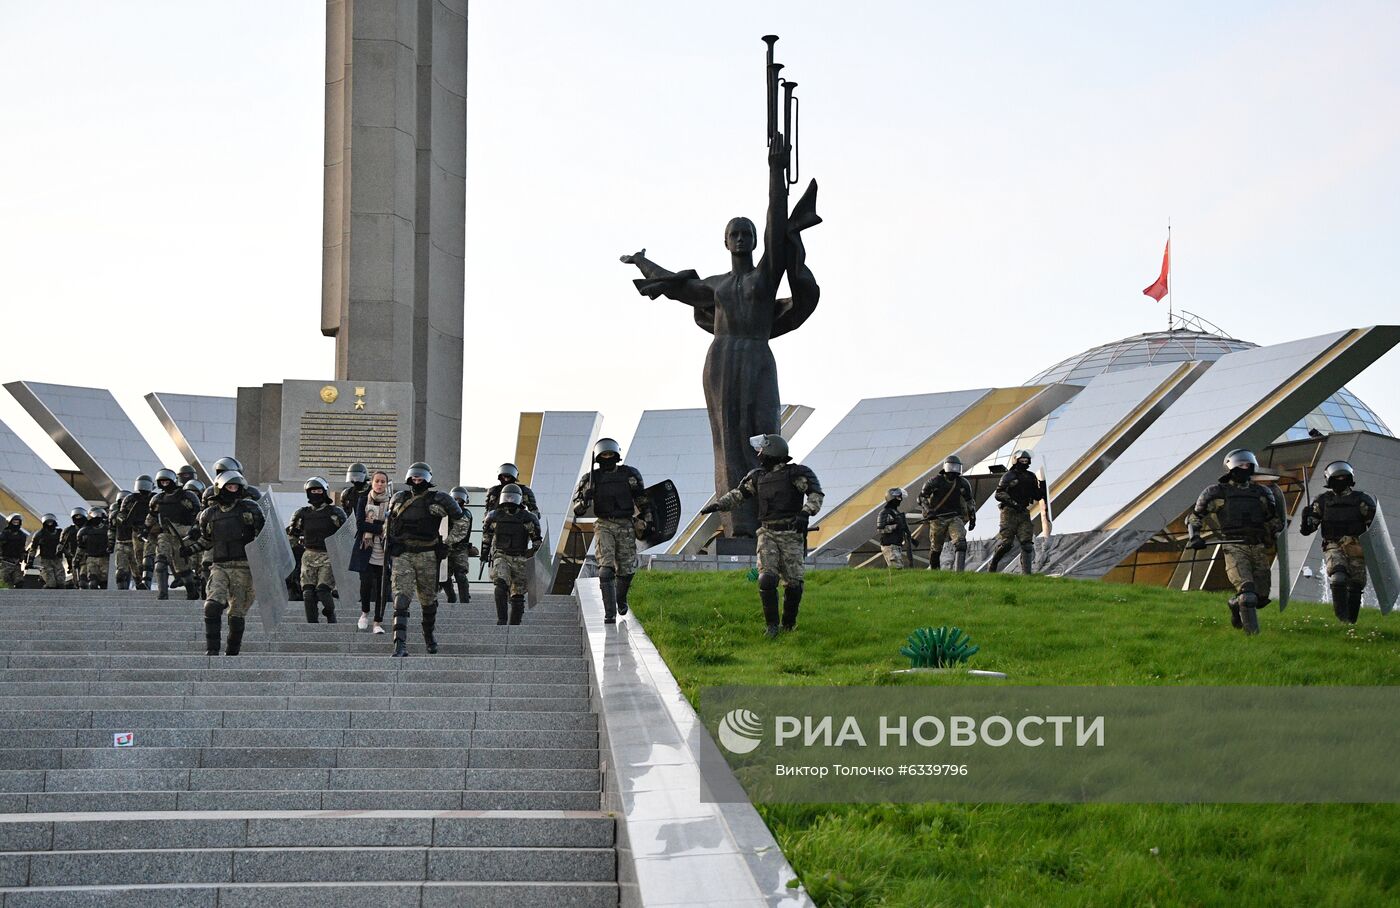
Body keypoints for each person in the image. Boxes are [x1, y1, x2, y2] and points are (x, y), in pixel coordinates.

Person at [700, 434, 824, 637]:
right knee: (766, 578)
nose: (759, 454)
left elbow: (815, 494)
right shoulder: (757, 476)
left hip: (791, 533)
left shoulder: (797, 473)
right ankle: (772, 626)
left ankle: (789, 624)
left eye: (762, 450)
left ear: (772, 451)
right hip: (767, 532)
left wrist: (805, 512)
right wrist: (719, 504)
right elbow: (739, 495)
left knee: (793, 583)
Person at [1186, 449, 1282, 635]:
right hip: (1234, 546)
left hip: (1257, 546)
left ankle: (1234, 604)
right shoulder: (1217, 493)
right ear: (1231, 468)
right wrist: (1194, 536)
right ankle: (1253, 637)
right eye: (1241, 465)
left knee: (1260, 598)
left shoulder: (1262, 493)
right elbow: (1195, 516)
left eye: (1248, 465)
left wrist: (1276, 530)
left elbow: (1272, 519)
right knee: (1248, 596)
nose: (1245, 468)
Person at [385, 462, 467, 656]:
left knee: (428, 600)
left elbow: (461, 520)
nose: (416, 480)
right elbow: (390, 523)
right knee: (401, 597)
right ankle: (399, 644)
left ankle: (429, 636)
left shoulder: (440, 499)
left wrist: (448, 543)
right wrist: (389, 542)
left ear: (427, 478)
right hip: (403, 554)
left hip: (427, 555)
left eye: (420, 477)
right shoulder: (398, 498)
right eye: (414, 477)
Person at [571, 439, 653, 622]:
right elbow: (577, 509)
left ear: (616, 456)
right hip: (604, 525)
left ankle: (620, 599)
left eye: (610, 455)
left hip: (626, 524)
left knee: (627, 570)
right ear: (599, 458)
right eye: (604, 455)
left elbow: (643, 500)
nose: (607, 458)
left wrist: (647, 521)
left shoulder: (630, 475)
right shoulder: (590, 479)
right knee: (606, 570)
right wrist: (586, 498)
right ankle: (609, 614)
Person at [191, 471, 266, 656]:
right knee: (212, 605)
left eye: (236, 487)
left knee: (236, 614)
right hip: (220, 566)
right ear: (220, 488)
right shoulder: (209, 514)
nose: (233, 490)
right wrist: (191, 549)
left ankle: (232, 653)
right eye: (229, 487)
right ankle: (212, 650)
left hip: (244, 567)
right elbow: (207, 540)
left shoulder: (250, 509)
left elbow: (264, 536)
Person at [1301, 460, 1377, 625]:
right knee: (1338, 577)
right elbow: (1309, 529)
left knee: (1355, 586)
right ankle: (1341, 618)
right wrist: (1305, 518)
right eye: (1337, 477)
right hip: (1333, 544)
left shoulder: (1362, 500)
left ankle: (1350, 623)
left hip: (1356, 546)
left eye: (1343, 477)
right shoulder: (1322, 501)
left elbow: (1374, 526)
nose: (1340, 480)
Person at [287, 477, 348, 623]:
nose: (316, 493)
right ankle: (312, 624)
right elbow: (292, 536)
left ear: (325, 491)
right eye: (313, 491)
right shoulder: (301, 513)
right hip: (308, 555)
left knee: (323, 590)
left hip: (329, 555)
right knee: (308, 593)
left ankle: (330, 614)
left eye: (319, 490)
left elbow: (346, 535)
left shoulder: (335, 513)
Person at [482, 483, 543, 626]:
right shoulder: (494, 516)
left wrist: (536, 551)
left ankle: (514, 626)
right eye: (507, 496)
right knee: (501, 583)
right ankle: (501, 620)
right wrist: (485, 552)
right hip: (501, 555)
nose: (510, 499)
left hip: (520, 558)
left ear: (519, 499)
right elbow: (487, 536)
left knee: (518, 595)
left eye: (512, 496)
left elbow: (536, 540)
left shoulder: (528, 518)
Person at [145, 468, 202, 600]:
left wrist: (196, 529)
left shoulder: (187, 496)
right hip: (166, 534)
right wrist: (146, 528)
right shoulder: (158, 499)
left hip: (185, 535)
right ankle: (162, 594)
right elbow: (152, 515)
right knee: (160, 561)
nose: (165, 484)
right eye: (162, 481)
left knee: (183, 568)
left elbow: (199, 515)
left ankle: (191, 591)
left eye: (167, 481)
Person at [988, 450, 1045, 574]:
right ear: (1016, 460)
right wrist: (1012, 503)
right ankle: (993, 563)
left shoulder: (1031, 477)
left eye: (1026, 460)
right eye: (1022, 460)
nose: (1024, 462)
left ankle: (1026, 574)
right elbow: (999, 493)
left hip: (1023, 512)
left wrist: (1043, 486)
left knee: (1027, 544)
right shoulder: (1008, 476)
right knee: (1007, 543)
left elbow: (1036, 495)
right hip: (1009, 512)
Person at [349, 470, 393, 633]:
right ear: (372, 483)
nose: (380, 484)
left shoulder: (392, 503)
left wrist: (379, 527)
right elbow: (360, 524)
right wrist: (381, 527)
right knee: (366, 584)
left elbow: (393, 526)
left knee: (382, 588)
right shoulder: (363, 500)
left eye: (383, 482)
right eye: (377, 481)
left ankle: (377, 622)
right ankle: (364, 613)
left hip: (383, 550)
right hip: (365, 548)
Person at [919, 455, 976, 571]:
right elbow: (921, 497)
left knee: (961, 543)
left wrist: (972, 517)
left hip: (954, 517)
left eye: (956, 467)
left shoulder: (963, 483)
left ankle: (959, 572)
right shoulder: (934, 481)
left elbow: (970, 501)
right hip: (937, 518)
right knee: (936, 548)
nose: (953, 470)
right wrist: (929, 511)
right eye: (952, 466)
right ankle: (935, 571)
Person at [119, 474, 157, 589]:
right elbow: (122, 513)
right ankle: (142, 581)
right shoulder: (130, 499)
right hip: (136, 531)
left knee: (148, 556)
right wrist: (123, 520)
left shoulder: (155, 498)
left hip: (151, 531)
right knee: (139, 557)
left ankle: (147, 583)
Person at [443, 486, 475, 604]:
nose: (457, 501)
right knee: (444, 577)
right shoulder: (445, 513)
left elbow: (460, 533)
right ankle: (451, 597)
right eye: (454, 498)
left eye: (460, 499)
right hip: (445, 548)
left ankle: (464, 601)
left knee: (460, 575)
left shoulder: (466, 513)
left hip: (460, 549)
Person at [875, 488, 912, 568]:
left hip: (896, 544)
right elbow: (880, 529)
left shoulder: (895, 512)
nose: (900, 500)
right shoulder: (885, 513)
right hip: (890, 545)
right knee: (897, 568)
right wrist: (895, 526)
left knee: (899, 567)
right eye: (898, 498)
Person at [76, 506, 111, 589]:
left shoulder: (107, 529)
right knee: (93, 582)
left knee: (104, 584)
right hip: (91, 559)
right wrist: (77, 559)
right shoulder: (84, 531)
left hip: (105, 559)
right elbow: (81, 547)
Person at [28, 514, 65, 589]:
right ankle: (43, 578)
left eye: (51, 522)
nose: (50, 524)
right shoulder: (39, 534)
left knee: (61, 583)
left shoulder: (60, 533)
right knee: (51, 584)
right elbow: (33, 548)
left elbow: (65, 546)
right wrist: (30, 561)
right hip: (45, 560)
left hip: (57, 559)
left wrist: (69, 558)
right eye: (48, 522)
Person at [59, 507, 87, 589]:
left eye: (80, 517)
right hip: (74, 557)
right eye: (76, 517)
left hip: (88, 557)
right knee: (77, 581)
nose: (78, 519)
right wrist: (67, 555)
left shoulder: (89, 528)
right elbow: (62, 545)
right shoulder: (68, 531)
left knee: (85, 579)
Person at [1, 514, 28, 588]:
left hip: (16, 562)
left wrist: (25, 559)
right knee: (5, 583)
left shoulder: (22, 535)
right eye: (14, 522)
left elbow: (22, 548)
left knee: (19, 582)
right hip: (5, 561)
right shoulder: (5, 534)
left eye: (17, 522)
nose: (16, 524)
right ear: (10, 523)